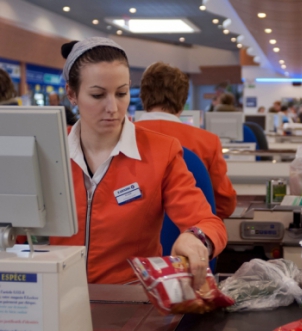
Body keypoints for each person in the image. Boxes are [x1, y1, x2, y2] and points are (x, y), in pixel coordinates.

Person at [51, 37, 226, 288]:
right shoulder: (48, 148)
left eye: (121, 93)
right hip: (54, 296)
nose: (113, 107)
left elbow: (210, 223)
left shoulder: (161, 151)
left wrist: (197, 238)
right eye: (98, 95)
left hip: (129, 300)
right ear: (71, 93)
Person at [135, 62, 237, 220]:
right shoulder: (207, 142)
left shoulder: (117, 138)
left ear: (143, 96)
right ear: (183, 100)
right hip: (191, 236)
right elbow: (224, 205)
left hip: (131, 239)